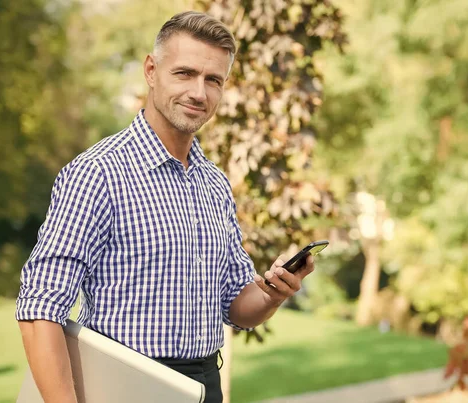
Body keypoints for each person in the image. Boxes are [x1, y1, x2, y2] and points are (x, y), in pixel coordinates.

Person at [16, 11, 315, 403]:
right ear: (151, 70)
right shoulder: (98, 173)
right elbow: (40, 307)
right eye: (184, 74)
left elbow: (237, 306)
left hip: (205, 386)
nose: (199, 93)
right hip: (127, 386)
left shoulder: (214, 184)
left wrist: (274, 292)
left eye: (213, 80)